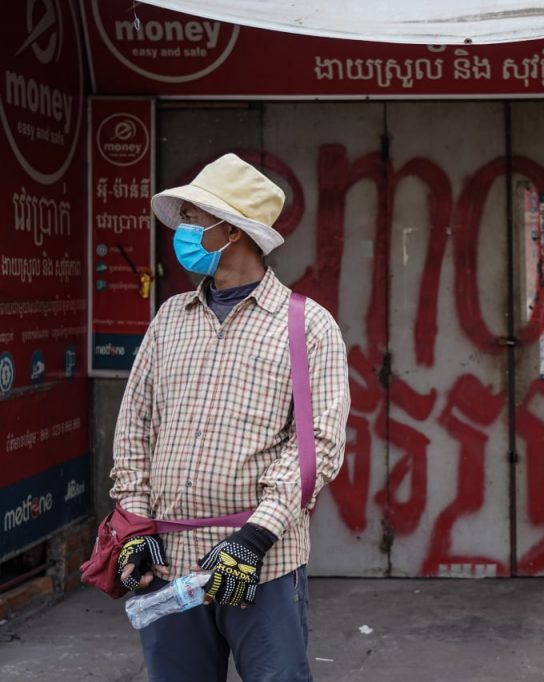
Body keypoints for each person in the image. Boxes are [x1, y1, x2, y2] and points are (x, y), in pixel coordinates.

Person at [110, 153, 350, 681]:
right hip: (170, 561)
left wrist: (253, 539)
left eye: (193, 218)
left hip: (262, 563)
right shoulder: (170, 319)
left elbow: (317, 446)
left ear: (232, 230)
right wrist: (135, 524)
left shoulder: (307, 326)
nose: (183, 231)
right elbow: (134, 428)